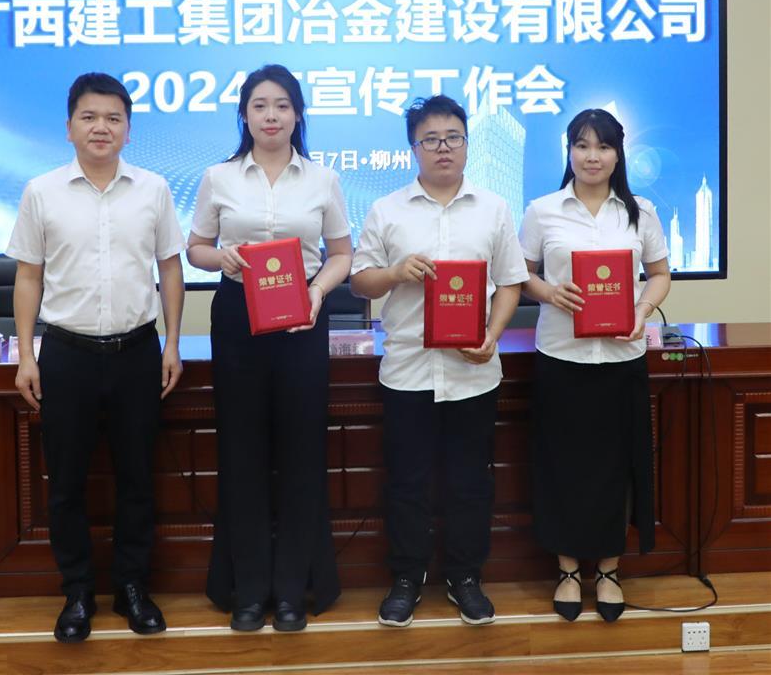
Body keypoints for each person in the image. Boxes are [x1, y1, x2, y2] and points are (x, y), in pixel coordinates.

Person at [8, 72, 185, 643]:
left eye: (113, 118)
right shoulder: (42, 191)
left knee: (137, 479)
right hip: (67, 353)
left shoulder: (154, 189)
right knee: (66, 483)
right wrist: (26, 354)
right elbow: (28, 275)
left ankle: (132, 588)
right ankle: (78, 592)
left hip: (137, 352)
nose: (101, 127)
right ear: (69, 128)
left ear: (129, 129)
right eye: (89, 117)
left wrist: (172, 343)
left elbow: (170, 270)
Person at [351, 95, 528, 628]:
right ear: (414, 148)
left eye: (453, 137)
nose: (443, 148)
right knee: (407, 481)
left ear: (467, 145)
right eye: (430, 139)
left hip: (473, 372)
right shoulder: (387, 210)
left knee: (470, 482)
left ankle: (465, 577)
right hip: (407, 371)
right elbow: (360, 280)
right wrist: (395, 273)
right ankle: (407, 577)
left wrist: (492, 336)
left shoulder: (494, 208)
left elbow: (511, 283)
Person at [186, 64, 352, 632]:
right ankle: (249, 591)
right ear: (244, 115)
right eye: (260, 105)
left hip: (302, 316)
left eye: (282, 105)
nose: (271, 115)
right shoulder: (219, 177)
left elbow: (342, 254)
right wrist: (221, 258)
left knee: (303, 453)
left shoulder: (323, 179)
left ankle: (292, 592)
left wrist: (318, 292)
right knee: (243, 452)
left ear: (298, 114)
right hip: (238, 315)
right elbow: (195, 248)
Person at [518, 108, 671, 623]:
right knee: (563, 466)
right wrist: (549, 293)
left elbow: (659, 274)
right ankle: (567, 569)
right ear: (568, 151)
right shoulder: (543, 211)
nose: (592, 156)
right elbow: (520, 273)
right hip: (562, 357)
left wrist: (642, 310)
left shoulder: (640, 212)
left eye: (603, 146)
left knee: (616, 468)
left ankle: (608, 570)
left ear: (618, 154)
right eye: (582, 145)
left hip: (621, 359)